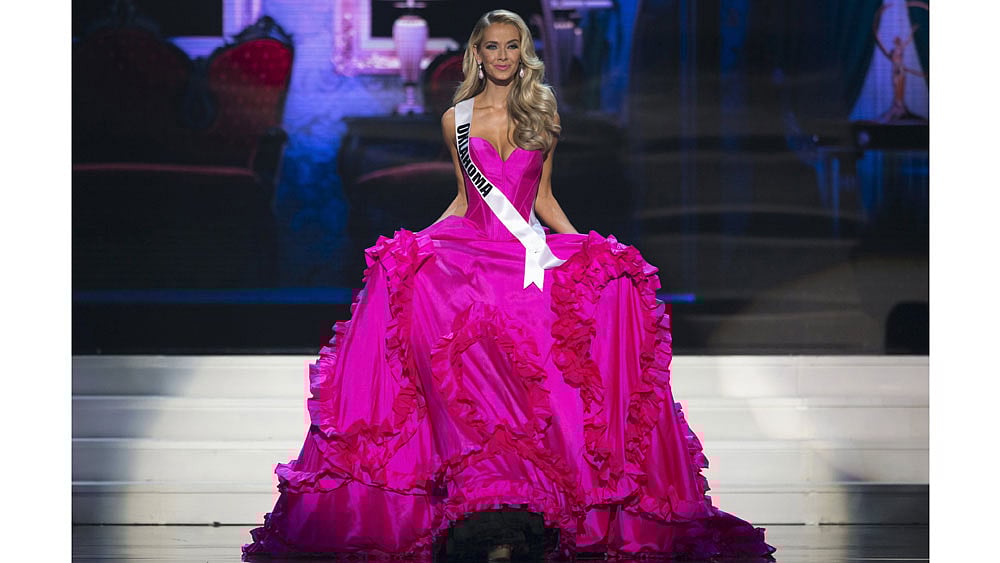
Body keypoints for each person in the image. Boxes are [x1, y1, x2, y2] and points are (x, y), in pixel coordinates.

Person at [243, 9, 775, 561]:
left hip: (524, 254)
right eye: (492, 46)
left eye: (512, 46)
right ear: (477, 53)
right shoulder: (457, 119)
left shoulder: (541, 118)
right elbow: (462, 199)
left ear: (524, 54)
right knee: (425, 308)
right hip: (471, 252)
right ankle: (479, 491)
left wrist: (591, 253)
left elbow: (542, 200)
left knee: (582, 316)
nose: (501, 56)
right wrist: (415, 244)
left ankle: (558, 497)